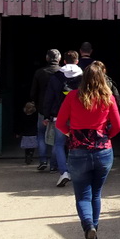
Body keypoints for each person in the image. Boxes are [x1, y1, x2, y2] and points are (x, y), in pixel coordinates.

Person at [55, 61, 120, 239]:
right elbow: (117, 127)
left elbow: (60, 123)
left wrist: (71, 134)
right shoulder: (107, 97)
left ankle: (88, 228)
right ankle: (94, 231)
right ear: (102, 79)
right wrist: (104, 137)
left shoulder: (73, 96)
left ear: (83, 79)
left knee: (83, 195)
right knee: (96, 194)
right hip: (102, 152)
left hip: (78, 152)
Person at [42, 50, 83, 187]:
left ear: (63, 61)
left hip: (59, 114)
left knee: (59, 144)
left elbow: (49, 97)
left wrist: (46, 115)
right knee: (78, 143)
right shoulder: (83, 76)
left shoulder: (56, 77)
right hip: (78, 115)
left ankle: (64, 172)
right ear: (77, 61)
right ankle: (79, 171)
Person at [29, 49, 60, 171]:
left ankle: (43, 160)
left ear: (47, 58)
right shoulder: (62, 72)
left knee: (41, 134)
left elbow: (33, 92)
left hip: (42, 109)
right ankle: (53, 165)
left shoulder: (39, 72)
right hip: (58, 110)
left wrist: (35, 103)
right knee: (57, 138)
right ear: (59, 58)